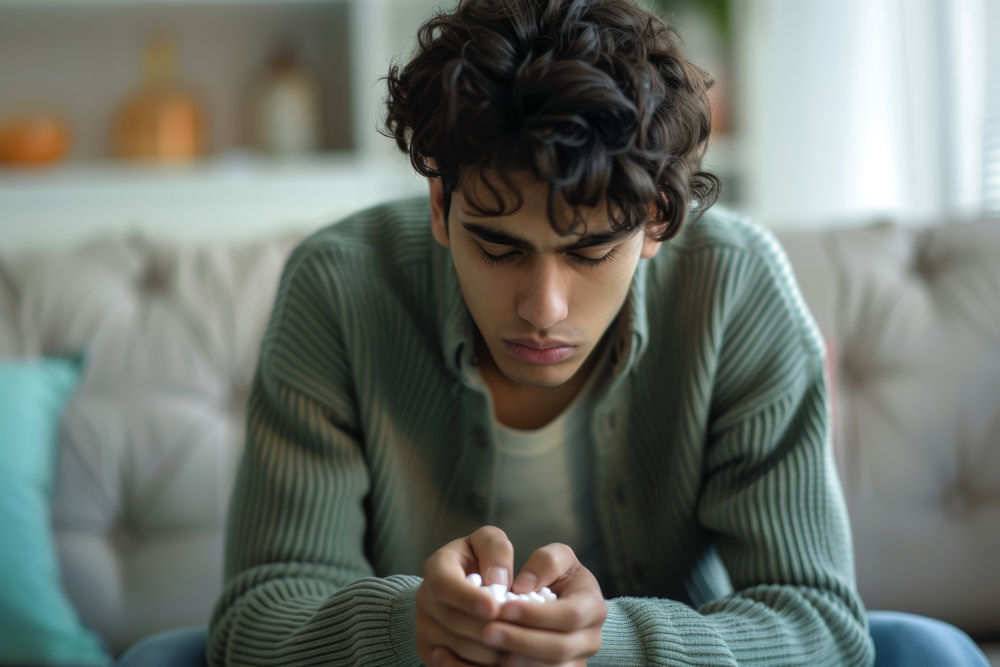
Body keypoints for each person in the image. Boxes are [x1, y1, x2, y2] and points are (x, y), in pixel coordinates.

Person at [201, 2, 985, 666]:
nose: (543, 307)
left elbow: (820, 623)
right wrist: (407, 626)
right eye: (499, 247)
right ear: (440, 204)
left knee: (928, 648)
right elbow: (257, 614)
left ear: (656, 221)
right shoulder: (338, 286)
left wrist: (606, 646)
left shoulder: (736, 288)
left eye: (589, 251)